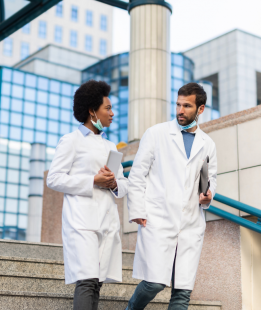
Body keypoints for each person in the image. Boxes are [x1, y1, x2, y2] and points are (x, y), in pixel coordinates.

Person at [125, 83, 217, 310]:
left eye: (187, 106)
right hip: (158, 218)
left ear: (201, 109)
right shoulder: (156, 133)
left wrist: (208, 196)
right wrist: (137, 210)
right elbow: (137, 175)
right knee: (154, 283)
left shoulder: (208, 144)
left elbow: (210, 179)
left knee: (182, 293)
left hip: (190, 223)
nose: (180, 110)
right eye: (178, 104)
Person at [47, 80, 128, 310]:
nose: (112, 114)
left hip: (106, 220)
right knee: (87, 280)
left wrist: (113, 183)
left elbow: (123, 185)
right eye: (108, 108)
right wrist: (92, 180)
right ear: (93, 111)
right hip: (81, 221)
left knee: (97, 283)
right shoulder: (71, 141)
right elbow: (53, 178)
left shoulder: (111, 146)